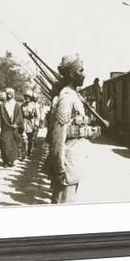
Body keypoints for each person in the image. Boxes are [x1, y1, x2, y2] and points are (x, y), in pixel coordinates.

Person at [49, 53, 99, 204]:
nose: (84, 74)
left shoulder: (74, 95)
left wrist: (89, 132)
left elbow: (74, 129)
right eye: (81, 70)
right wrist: (59, 168)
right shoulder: (66, 97)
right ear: (72, 74)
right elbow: (58, 136)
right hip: (66, 166)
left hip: (74, 164)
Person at [0, 88, 25, 167]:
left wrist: (16, 123)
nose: (9, 95)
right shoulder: (2, 106)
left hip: (14, 128)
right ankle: (5, 161)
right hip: (5, 128)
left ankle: (11, 160)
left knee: (13, 145)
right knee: (5, 144)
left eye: (11, 94)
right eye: (8, 94)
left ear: (13, 95)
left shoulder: (17, 105)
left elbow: (19, 116)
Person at [21, 89, 40, 159]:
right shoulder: (22, 105)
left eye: (28, 97)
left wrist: (36, 125)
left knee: (30, 139)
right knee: (23, 138)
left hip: (31, 124)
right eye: (26, 96)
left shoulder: (34, 106)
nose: (27, 98)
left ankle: (29, 151)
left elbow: (37, 116)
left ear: (31, 97)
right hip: (24, 123)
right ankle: (23, 153)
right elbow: (20, 115)